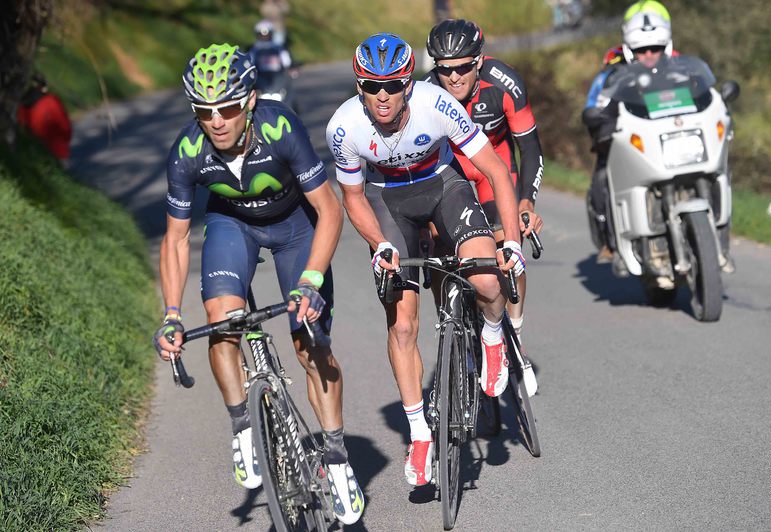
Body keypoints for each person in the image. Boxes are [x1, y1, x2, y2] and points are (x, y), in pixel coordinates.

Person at [152, 43, 363, 525]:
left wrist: (310, 281)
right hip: (233, 227)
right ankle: (242, 426)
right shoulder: (187, 152)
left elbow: (330, 209)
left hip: (295, 227)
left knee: (310, 343)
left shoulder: (279, 126)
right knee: (222, 319)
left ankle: (335, 456)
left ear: (248, 101)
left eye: (227, 107)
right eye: (204, 111)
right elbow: (177, 239)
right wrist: (170, 314)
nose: (217, 121)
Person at [326, 33, 525, 487]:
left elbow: (494, 168)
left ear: (408, 84)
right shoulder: (343, 127)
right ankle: (419, 435)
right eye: (371, 85)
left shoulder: (438, 104)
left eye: (392, 85)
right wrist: (379, 244)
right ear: (359, 85)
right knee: (401, 325)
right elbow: (352, 198)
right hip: (387, 202)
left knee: (488, 281)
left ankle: (493, 335)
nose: (382, 96)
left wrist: (509, 240)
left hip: (442, 186)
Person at [423, 18, 545, 352]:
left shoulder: (505, 83)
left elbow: (531, 148)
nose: (454, 77)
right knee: (437, 247)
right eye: (445, 69)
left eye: (463, 67)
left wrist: (526, 203)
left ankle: (515, 333)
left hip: (496, 169)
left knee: (508, 242)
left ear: (478, 60)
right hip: (454, 171)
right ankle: (447, 318)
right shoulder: (427, 92)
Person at [582, 1, 675, 269]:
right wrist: (600, 122)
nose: (649, 55)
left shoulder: (680, 65)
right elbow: (594, 105)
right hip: (631, 144)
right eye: (641, 49)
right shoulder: (612, 70)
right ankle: (612, 244)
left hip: (670, 143)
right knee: (601, 178)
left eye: (655, 49)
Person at [16, 72, 72, 164]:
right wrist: (66, 139)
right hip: (57, 147)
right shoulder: (51, 101)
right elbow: (63, 123)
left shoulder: (22, 106)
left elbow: (22, 127)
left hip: (35, 150)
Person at [249, 19, 295, 95]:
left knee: (290, 98)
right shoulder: (254, 49)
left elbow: (287, 62)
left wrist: (291, 68)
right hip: (260, 80)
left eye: (267, 35)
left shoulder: (279, 48)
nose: (264, 37)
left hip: (278, 79)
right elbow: (250, 63)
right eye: (262, 35)